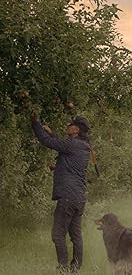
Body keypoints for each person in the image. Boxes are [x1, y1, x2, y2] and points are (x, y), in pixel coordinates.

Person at [31, 113, 91, 273]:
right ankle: (75, 268)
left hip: (68, 197)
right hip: (79, 198)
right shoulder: (84, 146)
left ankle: (63, 268)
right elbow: (65, 150)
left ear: (76, 129)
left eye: (70, 124)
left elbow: (47, 142)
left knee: (57, 235)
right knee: (76, 236)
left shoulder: (72, 145)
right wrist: (51, 133)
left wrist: (35, 122)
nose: (67, 126)